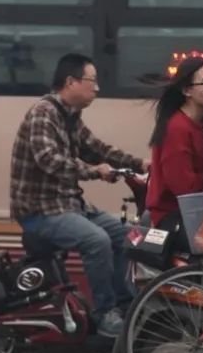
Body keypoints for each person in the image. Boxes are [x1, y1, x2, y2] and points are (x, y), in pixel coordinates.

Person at [10, 53, 148, 338]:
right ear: (70, 82)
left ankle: (126, 307)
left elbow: (97, 149)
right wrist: (95, 171)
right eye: (92, 81)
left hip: (70, 206)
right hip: (41, 212)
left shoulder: (70, 117)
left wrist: (141, 164)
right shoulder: (43, 113)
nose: (97, 88)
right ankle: (105, 315)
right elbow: (50, 159)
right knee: (96, 241)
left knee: (128, 236)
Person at [146, 55, 203, 233]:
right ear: (187, 91)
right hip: (175, 218)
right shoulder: (177, 129)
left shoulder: (200, 124)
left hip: (195, 213)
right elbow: (186, 191)